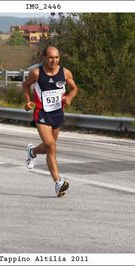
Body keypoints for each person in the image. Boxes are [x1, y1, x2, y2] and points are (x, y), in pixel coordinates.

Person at [23, 46, 79, 197]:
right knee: (51, 145)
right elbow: (26, 85)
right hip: (41, 114)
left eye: (57, 57)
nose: (54, 60)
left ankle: (32, 151)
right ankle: (58, 182)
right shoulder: (36, 73)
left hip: (57, 114)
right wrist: (28, 101)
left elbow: (74, 88)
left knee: (49, 147)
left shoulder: (65, 73)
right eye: (50, 58)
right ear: (44, 57)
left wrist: (69, 98)